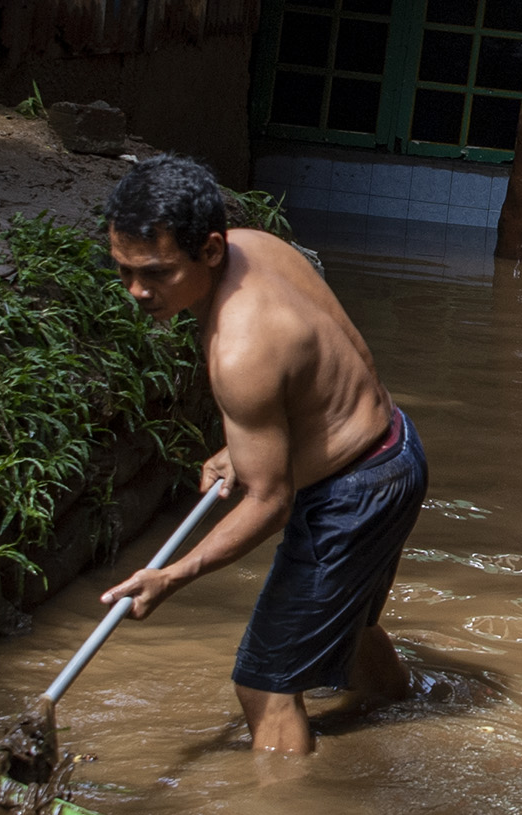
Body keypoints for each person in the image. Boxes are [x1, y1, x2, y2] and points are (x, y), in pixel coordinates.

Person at [94, 155, 426, 753]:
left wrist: (171, 575)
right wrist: (243, 447)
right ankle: (405, 715)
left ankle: (287, 810)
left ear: (210, 250)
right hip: (396, 449)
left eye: (158, 273)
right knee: (354, 627)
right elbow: (330, 366)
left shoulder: (240, 348)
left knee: (263, 687)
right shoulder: (257, 247)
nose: (138, 291)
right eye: (125, 271)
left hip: (355, 494)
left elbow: (270, 503)